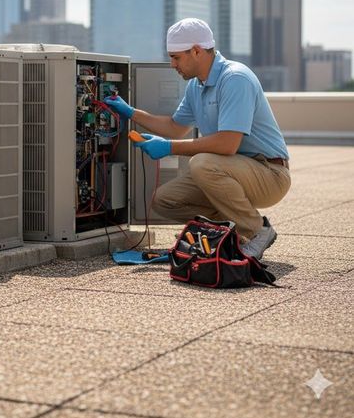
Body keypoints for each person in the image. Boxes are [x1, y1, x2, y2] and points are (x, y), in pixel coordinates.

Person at [104, 18, 291, 260]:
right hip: (232, 171)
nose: (172, 64)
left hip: (269, 174)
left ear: (196, 51)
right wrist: (131, 112)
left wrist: (168, 147)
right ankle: (230, 236)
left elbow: (227, 143)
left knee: (202, 163)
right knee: (164, 201)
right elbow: (174, 127)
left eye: (176, 57)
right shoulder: (196, 86)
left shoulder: (235, 79)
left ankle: (257, 231)